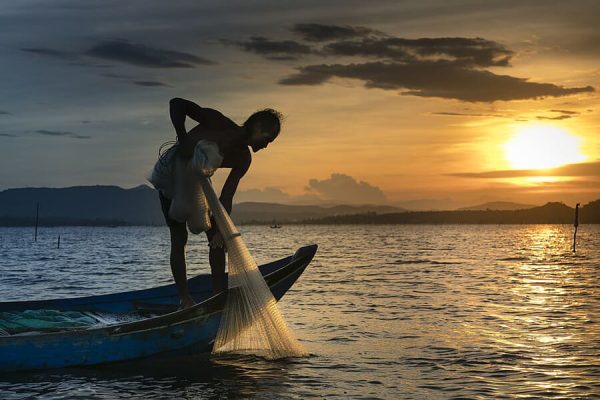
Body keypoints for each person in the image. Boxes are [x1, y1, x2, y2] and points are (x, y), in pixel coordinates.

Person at [160, 97, 282, 308]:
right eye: (268, 139)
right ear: (258, 127)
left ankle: (217, 295)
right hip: (173, 176)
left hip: (197, 183)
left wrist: (221, 232)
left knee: (218, 235)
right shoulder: (218, 123)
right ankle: (185, 299)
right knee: (179, 237)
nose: (266, 145)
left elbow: (226, 196)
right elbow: (176, 103)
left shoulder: (243, 159)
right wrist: (183, 139)